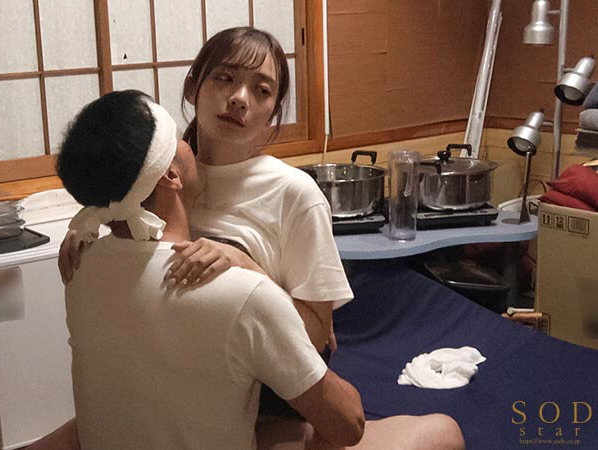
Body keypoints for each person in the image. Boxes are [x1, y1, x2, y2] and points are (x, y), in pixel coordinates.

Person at [56, 28, 465, 449]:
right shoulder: (160, 171)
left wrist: (248, 268)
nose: (239, 98)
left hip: (275, 394)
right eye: (225, 78)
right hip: (185, 386)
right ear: (193, 87)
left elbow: (317, 339)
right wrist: (88, 229)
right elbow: (132, 244)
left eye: (262, 90)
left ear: (272, 113)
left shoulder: (294, 194)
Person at [33, 89, 365, 450]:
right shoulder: (243, 295)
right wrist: (267, 291)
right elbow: (349, 424)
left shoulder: (80, 267)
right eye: (180, 139)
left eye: (262, 90)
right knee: (416, 428)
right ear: (171, 175)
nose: (239, 99)